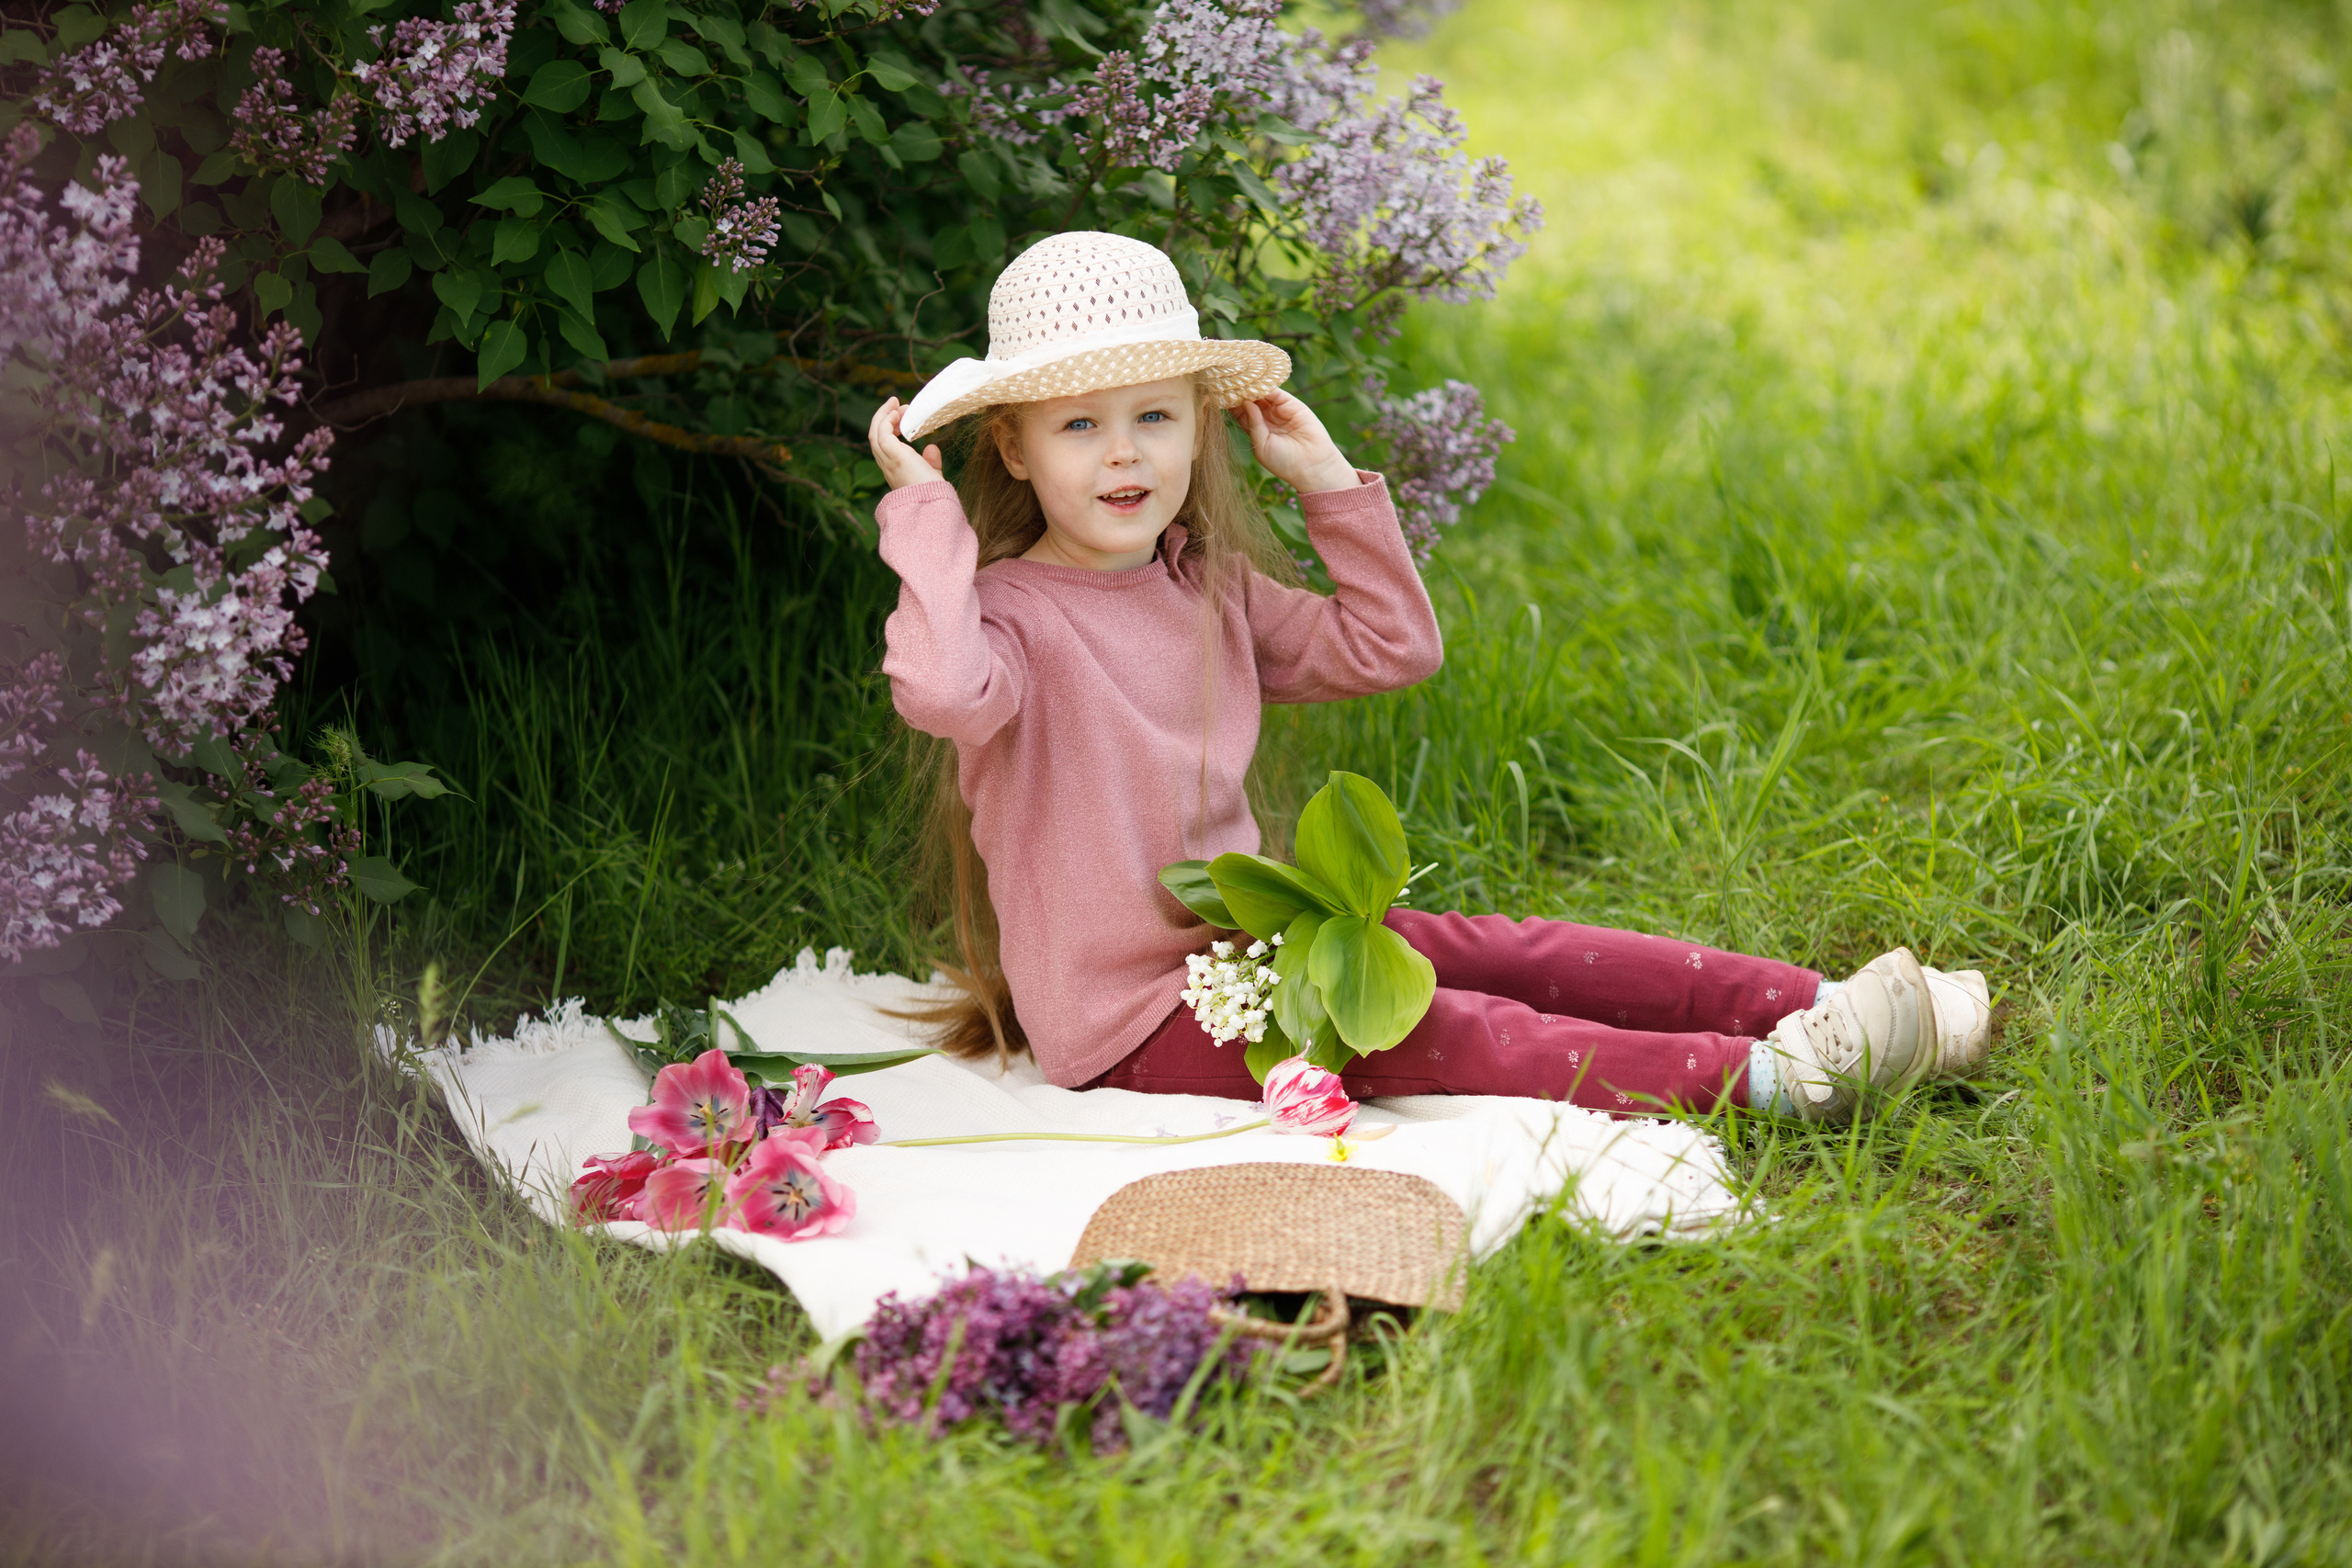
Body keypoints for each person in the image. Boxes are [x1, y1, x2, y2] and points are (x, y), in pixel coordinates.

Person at [865, 231, 1989, 1122]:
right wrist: (924, 516)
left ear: (1198, 428)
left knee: (1494, 950)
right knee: (1442, 1032)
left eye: (1155, 416)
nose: (1125, 453)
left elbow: (1391, 648)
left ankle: (1819, 1003)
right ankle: (1769, 1080)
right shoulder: (1006, 615)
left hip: (1258, 948)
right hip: (1135, 1017)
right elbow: (945, 695)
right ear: (1012, 448)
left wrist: (1326, 488)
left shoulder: (1202, 585)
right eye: (1080, 426)